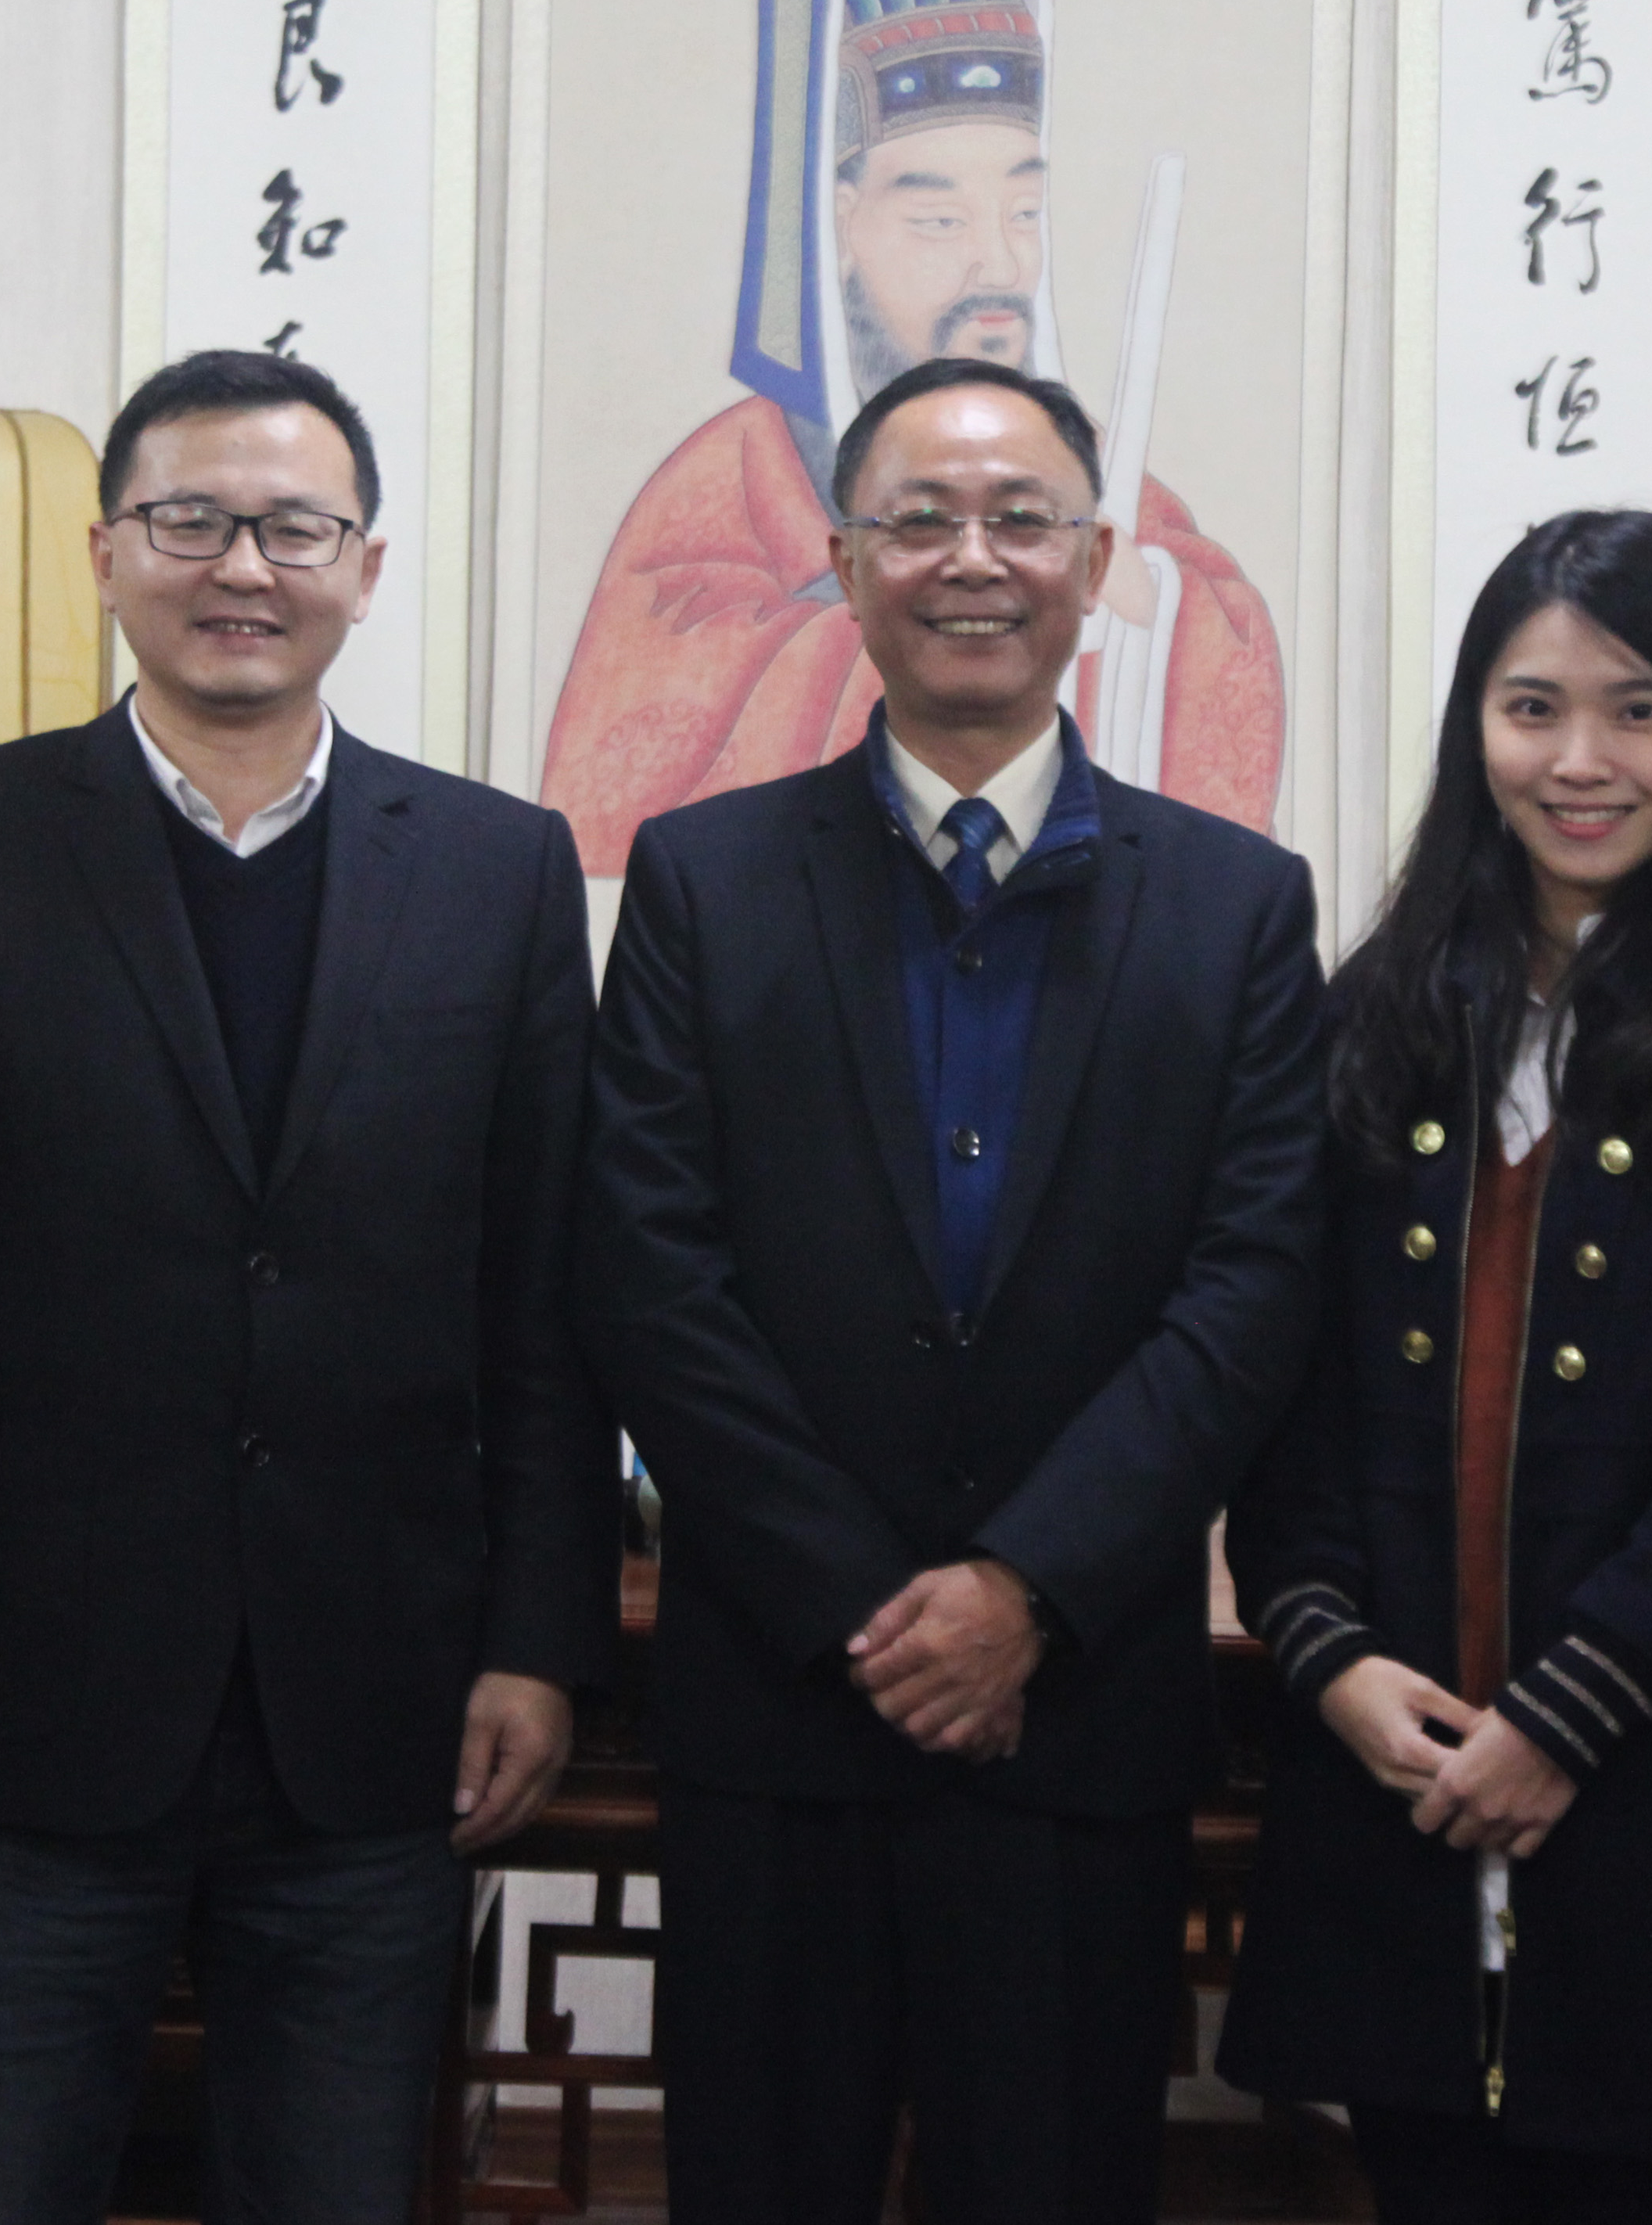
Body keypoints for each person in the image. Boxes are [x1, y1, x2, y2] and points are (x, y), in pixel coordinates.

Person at [0, 347, 612, 2221]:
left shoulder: (497, 870)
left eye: (294, 527)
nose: (243, 565)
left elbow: (546, 1309)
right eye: (191, 520)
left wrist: (536, 1638)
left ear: (365, 568)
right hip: (18, 1707)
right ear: (106, 553)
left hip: (378, 1708)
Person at [575, 354, 1324, 2225]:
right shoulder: (703, 879)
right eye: (917, 519)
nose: (969, 559)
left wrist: (1024, 1590)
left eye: (1018, 519)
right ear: (842, 562)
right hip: (782, 1708)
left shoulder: (1235, 905)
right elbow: (652, 1272)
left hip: (1078, 1716)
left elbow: (1247, 1291)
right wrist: (868, 1607)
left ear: (1093, 562)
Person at [1220, 510, 1652, 2223]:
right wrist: (1328, 1658)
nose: (1580, 761)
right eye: (1533, 708)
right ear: (1476, 729)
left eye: (1639, 709)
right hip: (1389, 1777)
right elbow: (1280, 1378)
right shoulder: (1375, 1009)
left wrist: (1568, 1712)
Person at [538, 0, 1284, 868]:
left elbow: (1215, 635)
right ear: (842, 223)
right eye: (939, 219)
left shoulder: (1082, 460)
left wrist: (1158, 599)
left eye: (1023, 212)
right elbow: (629, 756)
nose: (998, 264)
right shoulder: (738, 469)